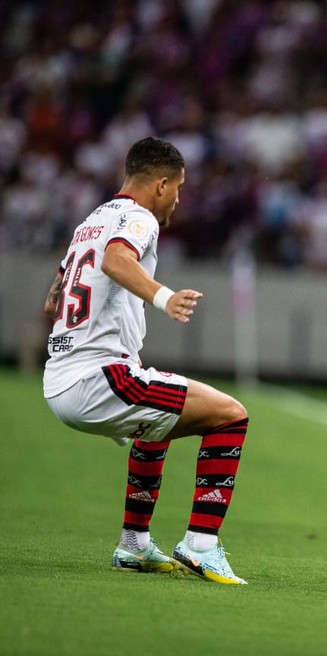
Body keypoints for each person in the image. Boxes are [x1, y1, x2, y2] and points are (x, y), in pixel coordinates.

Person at [42, 137, 248, 584]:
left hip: (59, 379)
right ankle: (201, 546)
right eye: (179, 187)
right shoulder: (138, 218)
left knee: (157, 427)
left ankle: (134, 545)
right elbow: (117, 260)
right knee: (231, 416)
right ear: (160, 184)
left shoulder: (92, 220)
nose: (178, 197)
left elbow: (55, 295)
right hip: (100, 377)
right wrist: (164, 297)